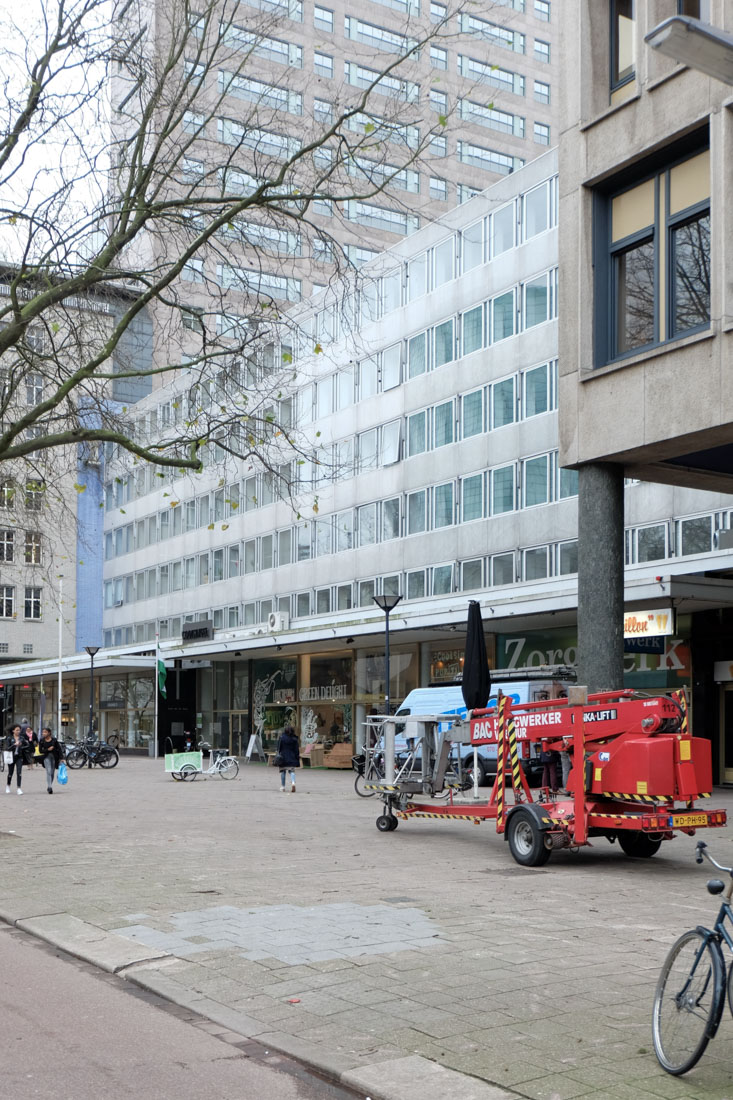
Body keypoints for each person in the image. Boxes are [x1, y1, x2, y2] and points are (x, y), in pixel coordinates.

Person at [38, 727, 63, 793]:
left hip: (54, 758)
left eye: (45, 732)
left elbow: (59, 749)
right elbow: (40, 751)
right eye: (43, 732)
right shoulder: (42, 740)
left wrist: (61, 758)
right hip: (46, 757)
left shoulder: (54, 740)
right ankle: (50, 787)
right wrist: (47, 749)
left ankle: (50, 784)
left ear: (49, 733)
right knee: (48, 771)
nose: (43, 733)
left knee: (52, 772)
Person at [277, 725, 300, 793]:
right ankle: (293, 783)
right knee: (292, 771)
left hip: (283, 757)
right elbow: (296, 750)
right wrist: (297, 757)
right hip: (292, 757)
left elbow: (279, 748)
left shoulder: (282, 738)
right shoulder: (294, 739)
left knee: (283, 772)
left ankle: (283, 787)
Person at [5, 725, 28, 795]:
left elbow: (28, 745)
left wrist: (21, 746)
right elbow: (7, 748)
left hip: (19, 757)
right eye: (17, 730)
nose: (18, 731)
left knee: (19, 772)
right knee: (10, 773)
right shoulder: (9, 738)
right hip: (11, 757)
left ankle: (19, 788)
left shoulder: (22, 738)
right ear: (13, 731)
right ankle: (8, 786)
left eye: (19, 730)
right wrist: (14, 745)